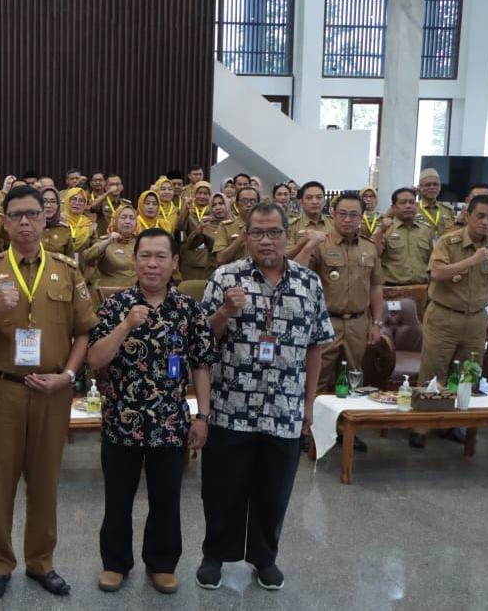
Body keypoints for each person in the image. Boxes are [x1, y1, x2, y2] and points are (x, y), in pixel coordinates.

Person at [0, 185, 97, 601]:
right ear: (3, 221)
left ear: (43, 219)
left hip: (52, 391)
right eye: (15, 214)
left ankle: (41, 562)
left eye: (31, 214)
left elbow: (84, 332)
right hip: (2, 390)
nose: (23, 222)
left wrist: (69, 376)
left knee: (45, 481)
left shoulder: (67, 270)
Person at [196, 200, 333, 593]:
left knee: (274, 489)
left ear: (288, 236)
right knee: (222, 487)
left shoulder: (308, 282)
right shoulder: (225, 277)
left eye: (274, 232)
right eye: (257, 232)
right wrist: (225, 311)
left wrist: (309, 405)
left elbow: (316, 347)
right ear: (246, 236)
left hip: (284, 408)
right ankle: (215, 555)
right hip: (231, 407)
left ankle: (264, 558)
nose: (266, 240)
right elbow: (203, 341)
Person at [87, 228, 215, 595]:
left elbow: (202, 365)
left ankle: (161, 564)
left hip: (170, 422)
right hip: (121, 422)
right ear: (135, 260)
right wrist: (127, 325)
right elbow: (96, 359)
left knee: (166, 500)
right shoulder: (115, 306)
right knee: (118, 499)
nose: (152, 264)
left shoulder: (189, 309)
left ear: (175, 262)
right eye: (145, 256)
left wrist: (203, 417)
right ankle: (115, 563)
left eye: (161, 256)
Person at [412, 195, 488, 448]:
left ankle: (456, 425)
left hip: (476, 318)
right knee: (434, 372)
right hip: (444, 315)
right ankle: (421, 426)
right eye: (481, 216)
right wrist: (472, 260)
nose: (486, 222)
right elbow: (437, 273)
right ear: (467, 215)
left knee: (468, 374)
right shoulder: (448, 242)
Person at [297, 193, 383, 455]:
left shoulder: (369, 248)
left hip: (358, 322)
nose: (347, 219)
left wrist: (376, 322)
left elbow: (376, 286)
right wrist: (310, 245)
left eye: (353, 215)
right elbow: (297, 271)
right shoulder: (321, 243)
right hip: (326, 322)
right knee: (318, 378)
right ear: (332, 214)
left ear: (361, 217)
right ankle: (309, 431)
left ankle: (347, 430)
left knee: (354, 379)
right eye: (342, 214)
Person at [372, 188, 432, 286]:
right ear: (394, 207)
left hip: (422, 288)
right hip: (393, 289)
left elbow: (431, 262)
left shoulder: (425, 230)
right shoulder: (385, 229)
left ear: (416, 206)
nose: (408, 206)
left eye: (411, 202)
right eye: (403, 203)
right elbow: (374, 254)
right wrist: (380, 232)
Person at [83, 204, 139, 291]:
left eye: (132, 218)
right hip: (111, 295)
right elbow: (87, 258)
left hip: (136, 294)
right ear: (116, 220)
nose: (128, 221)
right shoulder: (106, 241)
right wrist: (108, 242)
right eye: (123, 217)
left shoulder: (140, 242)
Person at [177, 181, 217, 281]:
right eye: (199, 193)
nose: (202, 196)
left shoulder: (214, 212)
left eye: (206, 193)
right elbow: (179, 228)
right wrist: (186, 210)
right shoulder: (188, 211)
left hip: (209, 260)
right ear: (194, 194)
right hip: (190, 259)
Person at [213, 186, 260, 265]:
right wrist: (240, 239)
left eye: (253, 201)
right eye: (244, 201)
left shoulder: (266, 227)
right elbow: (220, 259)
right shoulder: (225, 227)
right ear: (237, 204)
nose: (249, 204)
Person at [287, 182, 333, 261]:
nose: (315, 202)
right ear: (301, 202)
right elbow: (285, 257)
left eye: (319, 197)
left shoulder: (334, 224)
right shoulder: (291, 226)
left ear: (324, 201)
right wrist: (303, 243)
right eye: (309, 198)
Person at [415, 168, 455, 239]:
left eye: (436, 184)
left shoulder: (448, 210)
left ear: (440, 187)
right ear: (420, 187)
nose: (432, 187)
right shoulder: (412, 209)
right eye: (427, 185)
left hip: (443, 249)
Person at [40, 186, 74, 256]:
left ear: (58, 205)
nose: (48, 205)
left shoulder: (65, 229)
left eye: (53, 202)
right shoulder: (32, 228)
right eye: (44, 201)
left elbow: (71, 259)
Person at [63, 187, 95, 252]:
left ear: (85, 204)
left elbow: (93, 249)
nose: (77, 203)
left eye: (81, 200)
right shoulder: (59, 221)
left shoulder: (89, 225)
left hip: (81, 261)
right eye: (74, 199)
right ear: (67, 201)